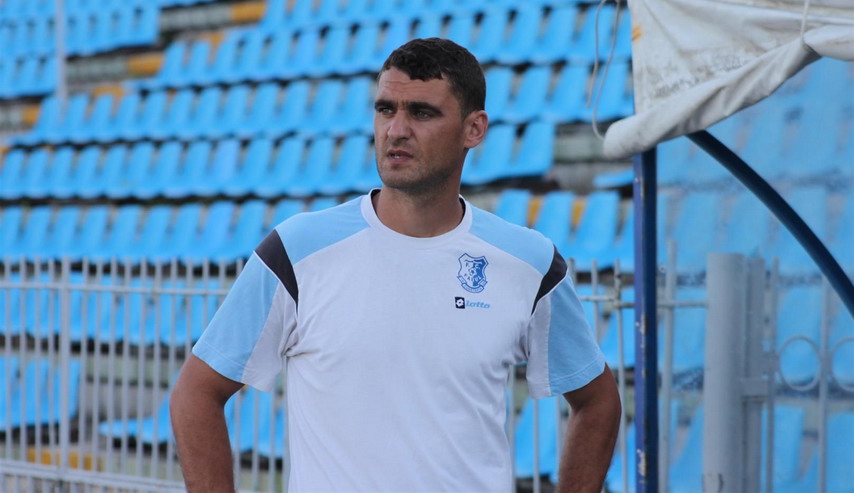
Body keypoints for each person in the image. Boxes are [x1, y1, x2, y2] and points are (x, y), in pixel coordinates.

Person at [170, 37, 621, 492]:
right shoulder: (296, 250)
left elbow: (598, 400)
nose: (396, 130)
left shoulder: (529, 261)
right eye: (386, 110)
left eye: (422, 113)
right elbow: (196, 392)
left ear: (474, 129)